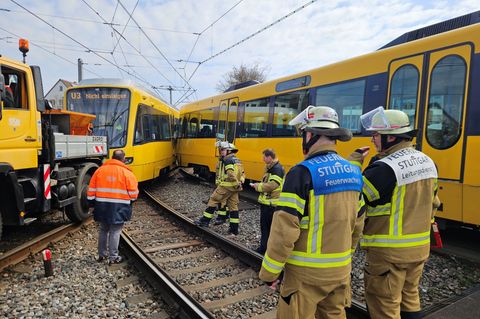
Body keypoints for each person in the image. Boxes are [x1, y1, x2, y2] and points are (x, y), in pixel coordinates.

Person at [259, 105, 365, 318]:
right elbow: (358, 223)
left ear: (310, 134)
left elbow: (284, 232)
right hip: (340, 272)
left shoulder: (301, 173)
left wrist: (270, 272)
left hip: (305, 277)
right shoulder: (353, 172)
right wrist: (345, 256)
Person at [350, 107, 440, 319]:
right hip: (419, 248)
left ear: (391, 137)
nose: (372, 139)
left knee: (385, 305)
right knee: (410, 299)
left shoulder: (384, 168)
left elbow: (353, 198)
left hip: (389, 251)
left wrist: (354, 164)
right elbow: (434, 202)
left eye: (375, 134)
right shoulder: (429, 162)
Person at [87, 149, 139, 264]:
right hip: (119, 207)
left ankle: (101, 255)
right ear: (123, 159)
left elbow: (91, 190)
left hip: (101, 206)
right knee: (115, 231)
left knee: (103, 230)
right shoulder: (127, 173)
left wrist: (91, 204)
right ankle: (113, 257)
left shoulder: (99, 171)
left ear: (112, 157)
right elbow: (134, 195)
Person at [195, 141, 245, 236]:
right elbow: (243, 173)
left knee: (213, 200)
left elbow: (230, 174)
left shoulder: (227, 160)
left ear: (229, 151)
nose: (220, 151)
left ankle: (204, 221)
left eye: (222, 149)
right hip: (234, 189)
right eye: (220, 149)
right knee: (233, 207)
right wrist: (240, 182)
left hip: (227, 186)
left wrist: (235, 184)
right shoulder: (237, 160)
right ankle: (234, 229)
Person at [251, 148, 285, 255]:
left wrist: (257, 186)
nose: (262, 159)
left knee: (266, 227)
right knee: (267, 227)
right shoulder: (272, 168)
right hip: (269, 204)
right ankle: (266, 248)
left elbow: (272, 185)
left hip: (271, 205)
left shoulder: (276, 169)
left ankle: (264, 249)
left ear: (269, 157)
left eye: (264, 157)